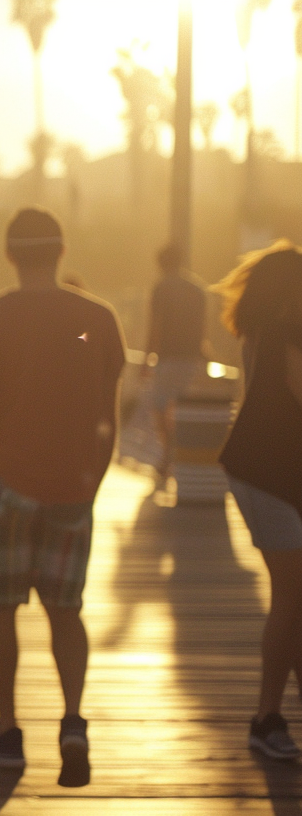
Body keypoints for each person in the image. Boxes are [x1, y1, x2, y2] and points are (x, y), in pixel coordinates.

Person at [0, 208, 125, 788]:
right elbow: (109, 417)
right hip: (71, 488)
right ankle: (73, 722)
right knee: (65, 610)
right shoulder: (98, 318)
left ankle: (7, 730)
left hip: (5, 487)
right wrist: (92, 484)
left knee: (1, 609)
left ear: (10, 254)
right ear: (60, 251)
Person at [213, 241, 302, 761]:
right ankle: (266, 717)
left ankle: (272, 715)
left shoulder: (259, 333)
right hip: (268, 476)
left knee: (294, 599)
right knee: (291, 597)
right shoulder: (286, 332)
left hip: (265, 472)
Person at [145, 243, 208, 490]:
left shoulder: (161, 288)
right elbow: (203, 327)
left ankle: (167, 453)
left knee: (159, 405)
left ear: (161, 264)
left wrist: (148, 358)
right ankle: (176, 453)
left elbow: (156, 326)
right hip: (193, 358)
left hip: (169, 358)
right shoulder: (198, 289)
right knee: (184, 409)